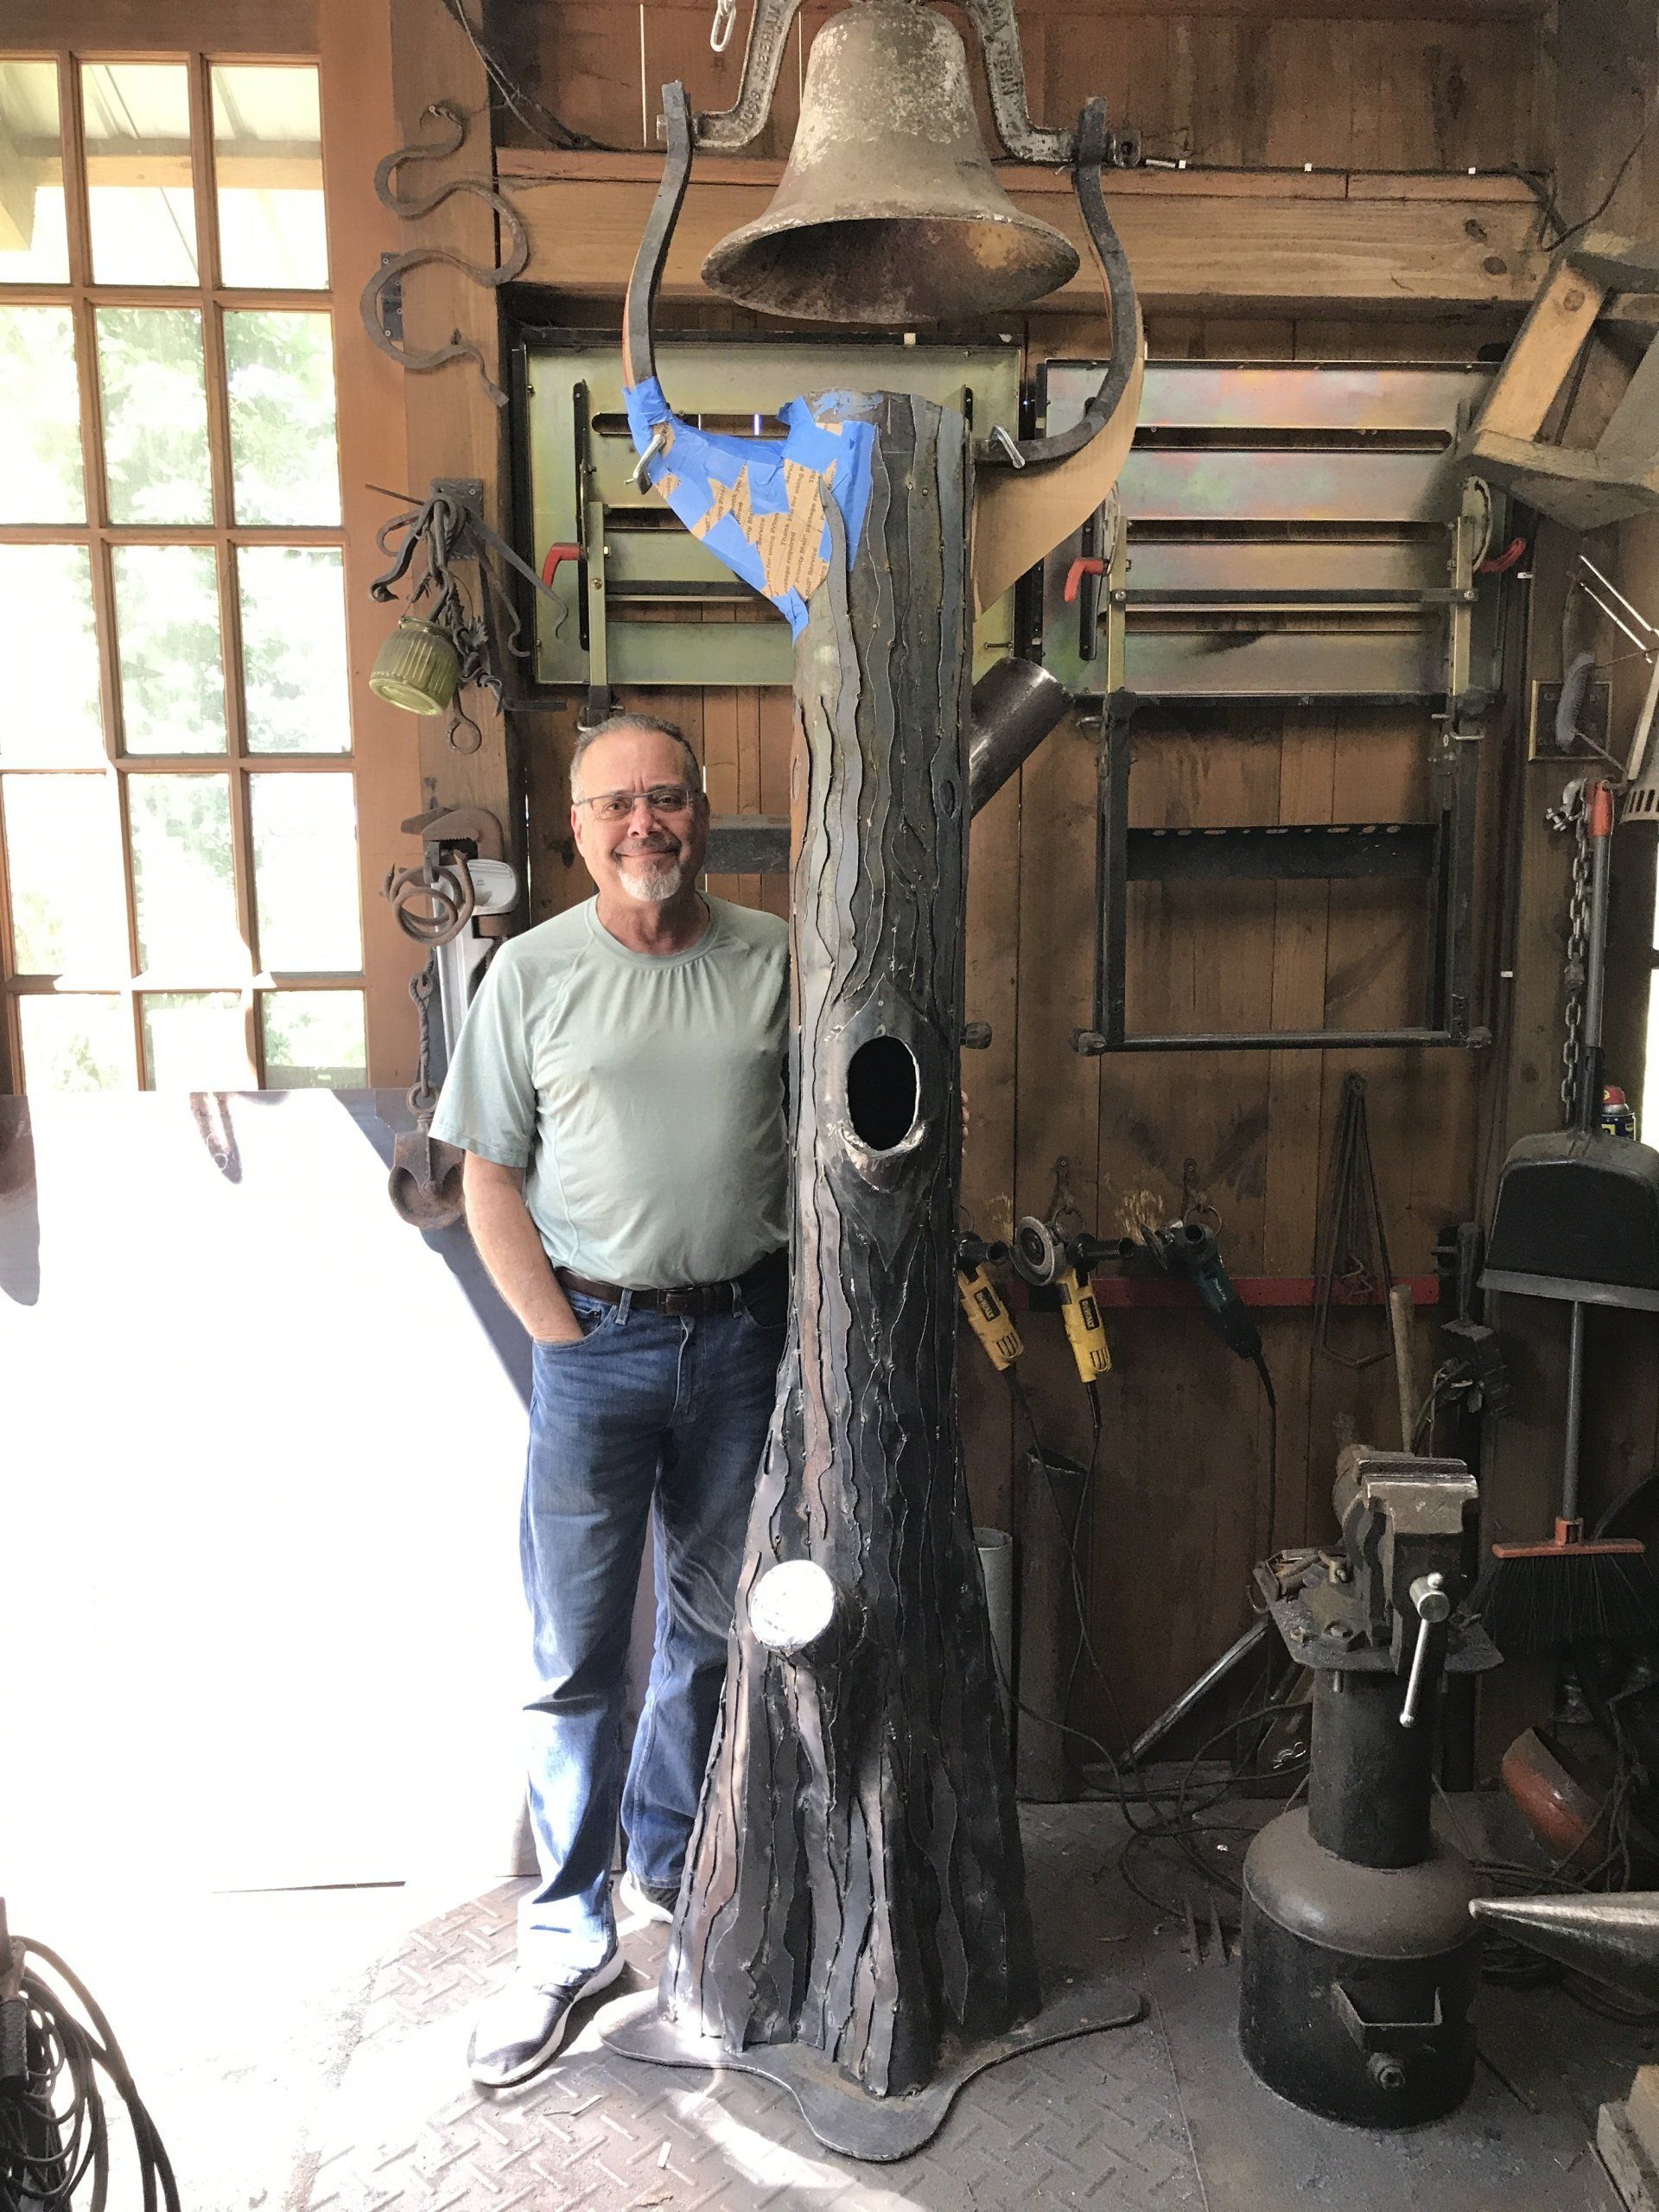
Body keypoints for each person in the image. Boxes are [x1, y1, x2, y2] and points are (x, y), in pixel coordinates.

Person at [429, 712, 790, 2088]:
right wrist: (560, 1339)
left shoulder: (772, 960)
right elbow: (489, 1178)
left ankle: (667, 1874)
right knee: (574, 1654)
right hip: (596, 1349)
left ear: (700, 812)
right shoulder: (529, 974)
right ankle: (568, 1936)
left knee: (709, 1625)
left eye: (665, 798)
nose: (643, 825)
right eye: (613, 806)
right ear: (577, 830)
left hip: (741, 1344)